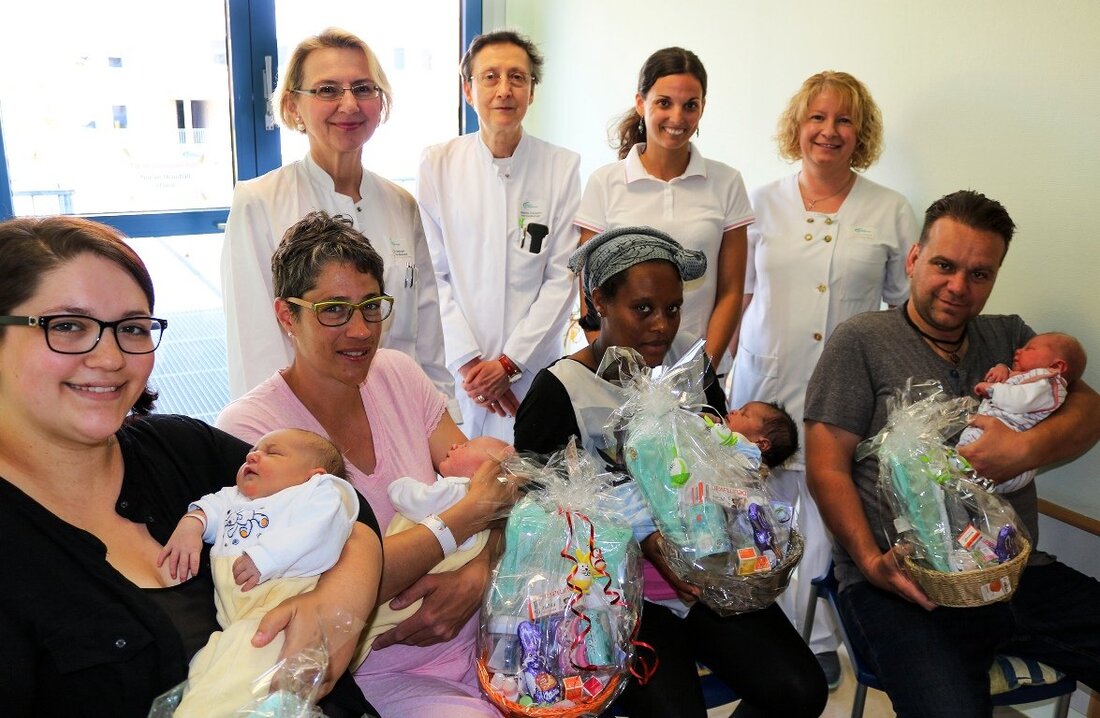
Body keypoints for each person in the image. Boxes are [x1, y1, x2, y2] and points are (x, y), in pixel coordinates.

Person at [0, 216, 382, 718]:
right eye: (68, 326)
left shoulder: (182, 449)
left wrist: (338, 608)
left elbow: (350, 511)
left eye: (132, 328)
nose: (111, 357)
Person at [804, 190, 1100, 717]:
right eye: (944, 265)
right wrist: (872, 564)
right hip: (904, 586)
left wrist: (1020, 450)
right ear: (915, 259)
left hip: (1016, 574)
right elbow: (827, 467)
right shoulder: (861, 341)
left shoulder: (1011, 339)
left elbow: (1089, 413)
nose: (959, 287)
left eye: (979, 274)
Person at [216, 208, 519, 717]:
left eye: (371, 307)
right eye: (333, 310)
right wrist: (460, 522)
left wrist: (481, 572)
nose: (359, 331)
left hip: (488, 636)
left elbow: (490, 483)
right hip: (376, 671)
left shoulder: (398, 375)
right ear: (286, 316)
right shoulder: (254, 435)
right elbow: (327, 585)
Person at [514, 226, 827, 718]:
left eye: (674, 308)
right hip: (618, 593)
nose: (662, 325)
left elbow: (720, 450)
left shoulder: (689, 372)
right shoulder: (561, 391)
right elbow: (539, 506)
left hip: (709, 577)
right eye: (643, 309)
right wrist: (644, 541)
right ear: (600, 301)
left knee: (801, 691)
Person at [728, 71, 918, 684]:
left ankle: (814, 639)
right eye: (817, 118)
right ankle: (754, 630)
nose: (828, 131)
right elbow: (740, 296)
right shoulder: (759, 203)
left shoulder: (889, 210)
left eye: (843, 120)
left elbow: (903, 310)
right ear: (798, 125)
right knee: (757, 506)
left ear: (859, 133)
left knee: (825, 507)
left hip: (845, 387)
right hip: (765, 377)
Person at [221, 27, 455, 415]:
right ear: (294, 105)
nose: (349, 104)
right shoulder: (258, 203)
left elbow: (426, 336)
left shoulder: (401, 204)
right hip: (307, 428)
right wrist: (281, 444)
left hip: (401, 417)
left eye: (363, 88)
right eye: (327, 90)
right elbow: (255, 348)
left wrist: (442, 425)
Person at [417, 29, 581, 442]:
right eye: (490, 77)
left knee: (532, 478)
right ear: (468, 90)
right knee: (461, 480)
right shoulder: (438, 165)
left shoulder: (561, 167)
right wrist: (472, 366)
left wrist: (510, 365)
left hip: (530, 369)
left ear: (532, 91)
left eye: (517, 78)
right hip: (461, 371)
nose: (504, 90)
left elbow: (562, 277)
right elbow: (432, 274)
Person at [575, 47, 753, 372]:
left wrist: (700, 369)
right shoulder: (605, 182)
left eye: (690, 106)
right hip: (620, 371)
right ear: (641, 103)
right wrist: (612, 362)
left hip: (699, 369)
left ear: (702, 108)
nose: (677, 117)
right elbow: (589, 287)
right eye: (664, 103)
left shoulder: (727, 182)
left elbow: (730, 291)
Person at [159, 429, 360, 717]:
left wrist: (265, 558)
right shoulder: (235, 498)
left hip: (279, 614)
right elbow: (211, 506)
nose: (253, 455)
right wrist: (193, 523)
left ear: (312, 475)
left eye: (273, 452)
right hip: (236, 623)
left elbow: (319, 530)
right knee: (205, 668)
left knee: (228, 688)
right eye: (252, 452)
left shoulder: (318, 494)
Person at [355, 436, 510, 663]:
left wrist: (400, 488)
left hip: (408, 592)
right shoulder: (467, 495)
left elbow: (415, 500)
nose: (454, 444)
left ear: (482, 474)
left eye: (466, 446)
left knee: (374, 623)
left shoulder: (455, 489)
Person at [958, 331, 1088, 493]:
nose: (1019, 350)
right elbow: (1012, 380)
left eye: (1030, 349)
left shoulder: (1049, 384)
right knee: (964, 455)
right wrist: (1001, 368)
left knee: (964, 459)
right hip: (989, 441)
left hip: (1008, 464)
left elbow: (1020, 401)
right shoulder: (1028, 378)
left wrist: (993, 389)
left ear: (1056, 366)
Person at [721, 401, 800, 471]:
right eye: (740, 409)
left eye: (744, 414)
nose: (734, 411)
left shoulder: (739, 475)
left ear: (761, 443)